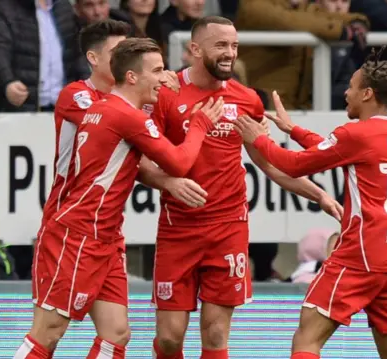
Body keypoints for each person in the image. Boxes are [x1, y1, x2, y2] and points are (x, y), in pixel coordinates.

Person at [137, 16, 343, 359]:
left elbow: (271, 163)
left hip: (228, 228)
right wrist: (169, 181)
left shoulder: (247, 100)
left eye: (234, 46)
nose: (230, 53)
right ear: (194, 49)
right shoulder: (166, 93)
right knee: (170, 338)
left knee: (216, 334)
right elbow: (139, 162)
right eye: (220, 45)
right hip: (179, 230)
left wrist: (319, 194)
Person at [12, 37, 224, 359]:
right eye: (157, 70)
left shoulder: (107, 109)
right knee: (49, 331)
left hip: (106, 237)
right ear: (132, 77)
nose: (164, 77)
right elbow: (180, 162)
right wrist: (201, 124)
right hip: (78, 233)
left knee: (116, 333)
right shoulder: (127, 116)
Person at [234, 47, 387, 359]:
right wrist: (293, 130)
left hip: (359, 253)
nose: (346, 93)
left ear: (367, 94)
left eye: (351, 86)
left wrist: (258, 139)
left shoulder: (357, 134)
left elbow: (293, 166)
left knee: (307, 338)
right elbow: (333, 149)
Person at [42, 19, 210, 229]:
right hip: (69, 216)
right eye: (117, 51)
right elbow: (125, 131)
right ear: (93, 58)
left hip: (108, 223)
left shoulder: (138, 100)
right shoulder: (77, 96)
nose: (125, 57)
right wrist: (167, 181)